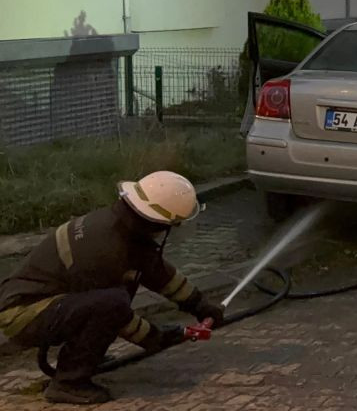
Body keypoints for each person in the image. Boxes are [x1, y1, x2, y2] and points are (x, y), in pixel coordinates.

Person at [0, 171, 225, 405]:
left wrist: (200, 305)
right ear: (159, 221)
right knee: (112, 302)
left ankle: (85, 360)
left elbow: (158, 272)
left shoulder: (123, 227)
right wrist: (156, 337)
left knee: (111, 299)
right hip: (23, 313)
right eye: (174, 223)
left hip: (47, 303)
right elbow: (114, 313)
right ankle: (68, 382)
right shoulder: (105, 249)